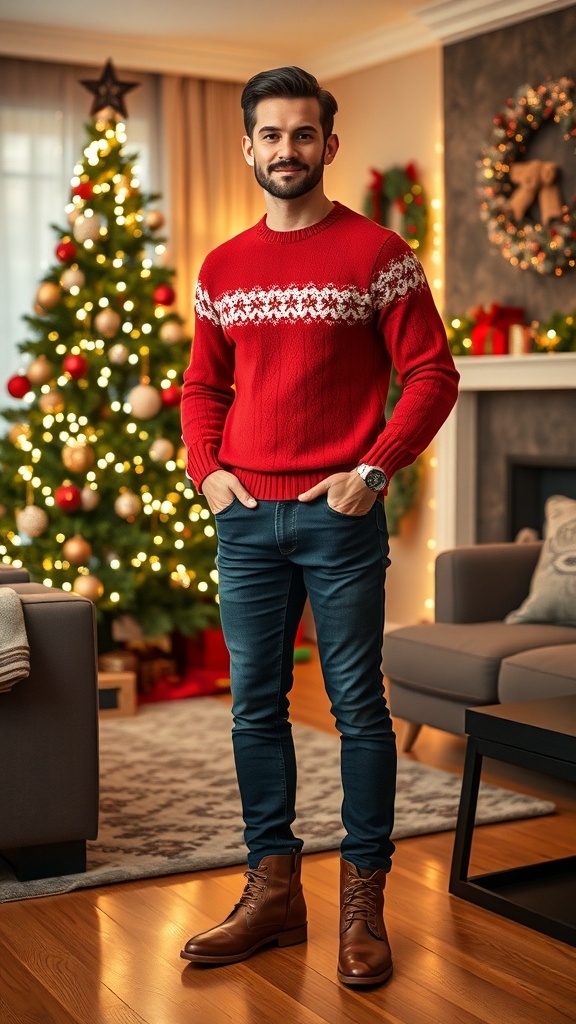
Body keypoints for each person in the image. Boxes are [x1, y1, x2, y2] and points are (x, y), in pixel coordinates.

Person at [180, 66, 459, 986]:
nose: (287, 150)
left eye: (304, 135)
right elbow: (203, 387)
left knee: (356, 712)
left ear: (328, 146)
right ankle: (272, 894)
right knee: (255, 709)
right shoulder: (222, 267)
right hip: (247, 519)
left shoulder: (378, 253)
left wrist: (376, 469)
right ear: (249, 145)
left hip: (340, 521)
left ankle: (361, 903)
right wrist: (209, 471)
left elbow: (431, 374)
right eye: (271, 135)